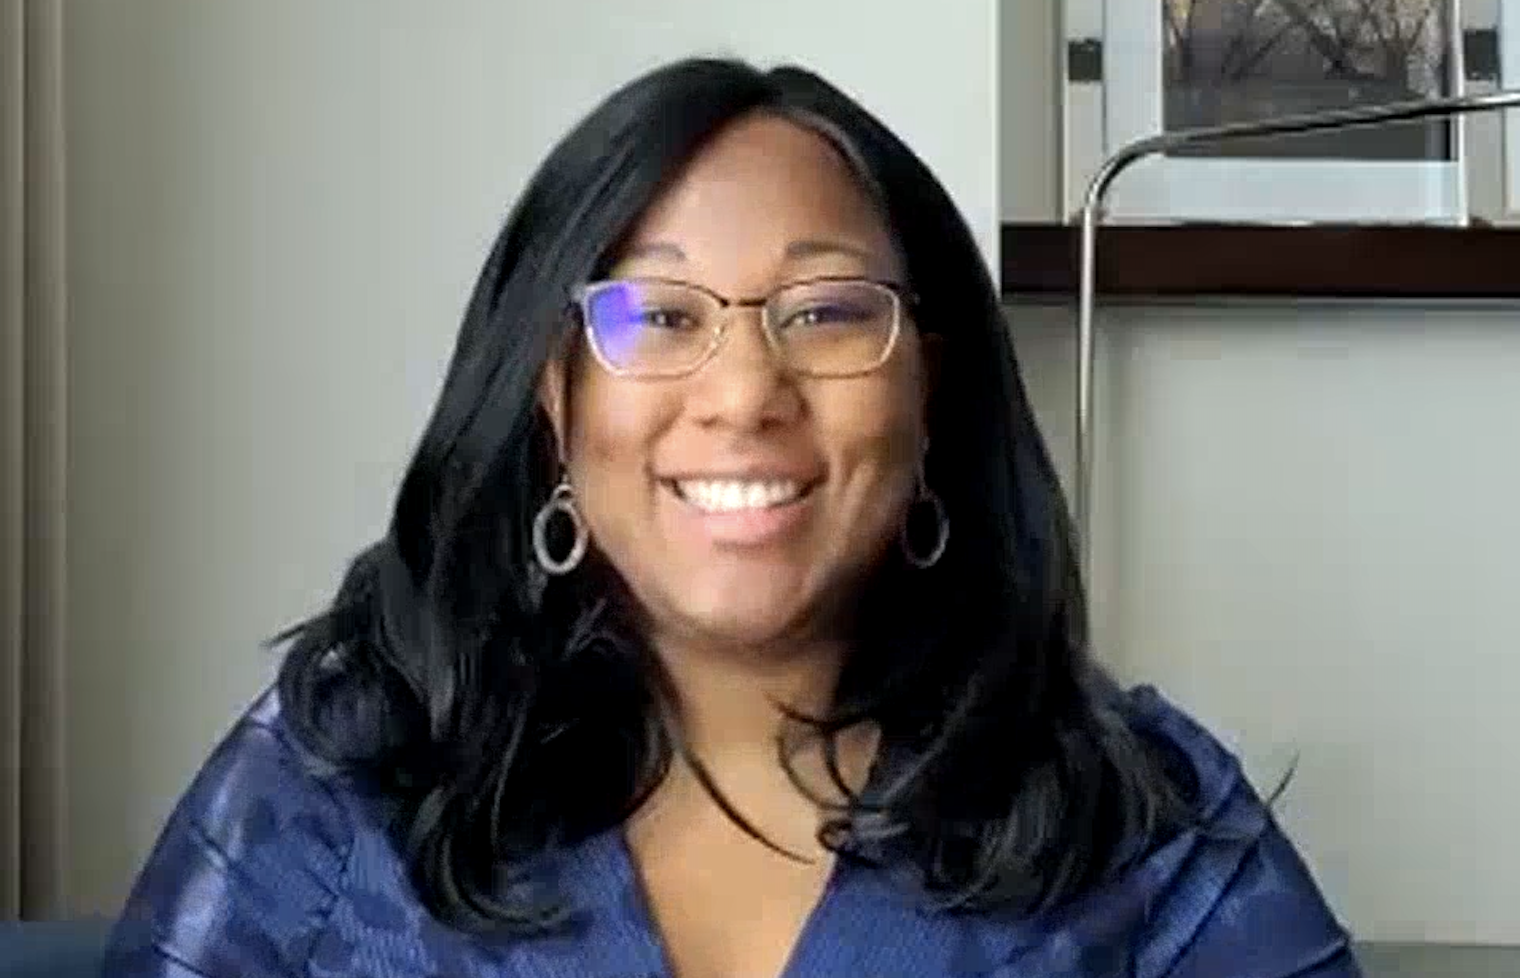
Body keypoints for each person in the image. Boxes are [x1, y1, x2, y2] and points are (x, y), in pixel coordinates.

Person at [102, 58, 1362, 978]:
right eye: (658, 317)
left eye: (822, 312)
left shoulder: (1140, 826)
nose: (745, 394)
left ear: (930, 387)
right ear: (554, 399)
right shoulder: (343, 773)